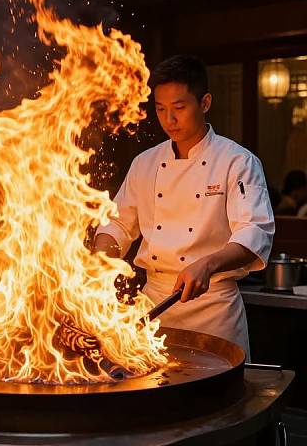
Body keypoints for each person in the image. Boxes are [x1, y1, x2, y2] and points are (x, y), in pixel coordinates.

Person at [94, 55, 274, 358]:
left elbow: (254, 232)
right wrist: (98, 264)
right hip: (154, 309)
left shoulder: (236, 161)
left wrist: (206, 264)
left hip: (213, 310)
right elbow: (118, 225)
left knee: (216, 398)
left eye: (179, 108)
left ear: (204, 103)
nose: (169, 120)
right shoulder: (145, 163)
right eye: (161, 109)